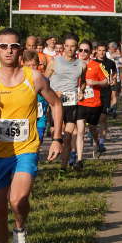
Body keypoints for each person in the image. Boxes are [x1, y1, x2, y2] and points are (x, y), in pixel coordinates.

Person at [0, 28, 63, 243]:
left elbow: (55, 104)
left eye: (13, 46)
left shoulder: (33, 77)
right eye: (3, 47)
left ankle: (20, 228)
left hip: (25, 148)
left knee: (18, 199)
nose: (9, 51)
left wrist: (57, 139)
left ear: (20, 49)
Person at [45, 34, 85, 169]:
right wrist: (53, 93)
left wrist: (81, 91)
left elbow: (83, 82)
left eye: (72, 46)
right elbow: (43, 82)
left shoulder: (82, 64)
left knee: (68, 137)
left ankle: (63, 167)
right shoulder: (54, 62)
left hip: (71, 104)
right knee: (56, 133)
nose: (69, 49)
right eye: (67, 46)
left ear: (77, 47)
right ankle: (56, 148)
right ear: (63, 47)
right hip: (55, 103)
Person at [93, 42, 117, 150]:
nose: (101, 52)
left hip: (106, 93)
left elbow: (115, 74)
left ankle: (101, 142)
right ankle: (94, 135)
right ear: (96, 51)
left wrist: (113, 80)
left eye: (103, 50)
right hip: (94, 92)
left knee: (103, 118)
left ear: (106, 51)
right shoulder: (92, 63)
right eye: (99, 50)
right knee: (93, 119)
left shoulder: (111, 63)